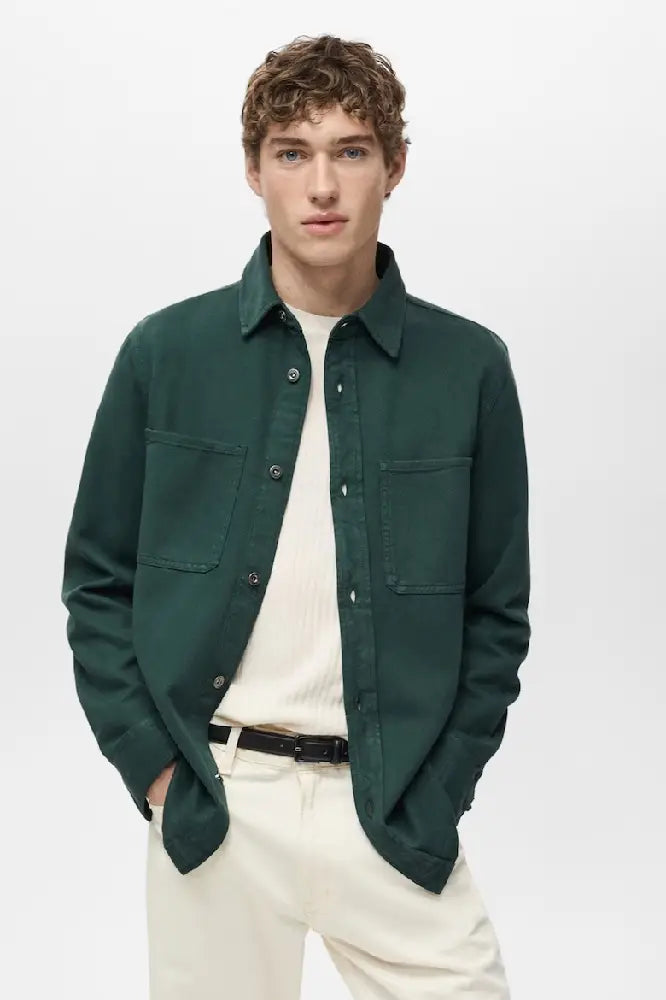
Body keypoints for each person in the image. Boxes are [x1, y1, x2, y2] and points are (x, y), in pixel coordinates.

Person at [61, 32, 530, 1000]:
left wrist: (441, 789)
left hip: (390, 808)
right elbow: (98, 583)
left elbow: (495, 612)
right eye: (292, 152)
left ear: (394, 167)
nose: (322, 186)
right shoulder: (165, 353)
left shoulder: (468, 367)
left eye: (351, 151)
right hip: (220, 803)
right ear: (254, 170)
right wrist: (157, 772)